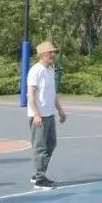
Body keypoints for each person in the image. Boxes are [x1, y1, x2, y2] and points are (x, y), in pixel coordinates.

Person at [27, 41, 66, 189]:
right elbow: (30, 96)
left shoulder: (50, 70)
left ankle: (38, 173)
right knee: (40, 147)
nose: (53, 55)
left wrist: (60, 109)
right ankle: (40, 179)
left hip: (49, 114)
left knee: (51, 144)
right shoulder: (35, 71)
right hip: (39, 115)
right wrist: (36, 115)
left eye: (54, 52)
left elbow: (52, 93)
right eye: (50, 52)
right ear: (42, 54)